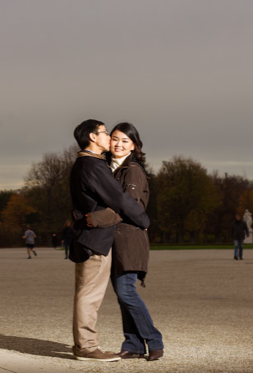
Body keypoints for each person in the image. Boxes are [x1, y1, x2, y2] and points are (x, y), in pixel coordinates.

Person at [68, 119, 150, 362]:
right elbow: (120, 200)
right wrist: (143, 220)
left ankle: (83, 344)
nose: (109, 139)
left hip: (90, 238)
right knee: (89, 295)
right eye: (105, 133)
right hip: (96, 240)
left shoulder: (86, 164)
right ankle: (86, 347)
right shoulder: (93, 165)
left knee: (86, 292)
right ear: (93, 137)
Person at [88, 122, 164, 362]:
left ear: (133, 145)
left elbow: (128, 207)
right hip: (114, 239)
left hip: (130, 239)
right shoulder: (109, 169)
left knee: (126, 291)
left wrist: (94, 219)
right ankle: (133, 344)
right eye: (116, 139)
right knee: (123, 294)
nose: (119, 144)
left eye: (125, 141)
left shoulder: (133, 170)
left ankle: (154, 341)